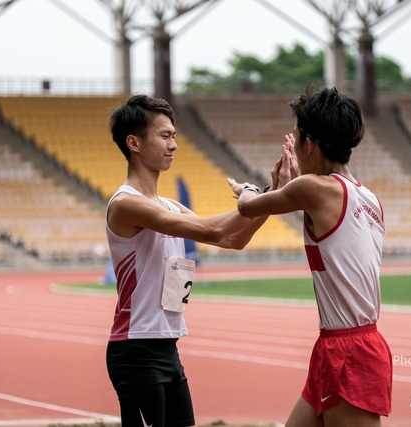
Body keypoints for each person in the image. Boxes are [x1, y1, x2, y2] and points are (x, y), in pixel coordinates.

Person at [228, 86, 392, 427]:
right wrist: (286, 188)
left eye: (298, 137)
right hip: (342, 343)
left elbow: (247, 207)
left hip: (348, 350)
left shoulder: (313, 189)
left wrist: (248, 189)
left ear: (309, 146)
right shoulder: (368, 198)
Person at [105, 94, 267, 427]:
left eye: (174, 136)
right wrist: (251, 195)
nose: (174, 144)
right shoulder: (126, 204)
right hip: (135, 349)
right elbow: (210, 230)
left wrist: (271, 197)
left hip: (167, 347)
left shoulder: (169, 205)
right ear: (134, 142)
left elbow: (232, 239)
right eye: (165, 135)